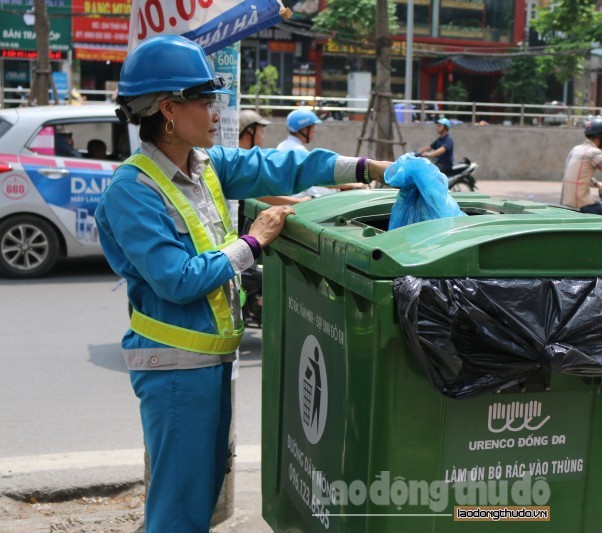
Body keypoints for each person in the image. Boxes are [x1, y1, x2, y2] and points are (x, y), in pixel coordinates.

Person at [95, 35, 390, 533]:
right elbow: (178, 280)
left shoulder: (204, 165)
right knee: (178, 510)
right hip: (175, 371)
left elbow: (283, 164)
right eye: (206, 100)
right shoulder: (134, 190)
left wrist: (367, 167)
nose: (217, 111)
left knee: (200, 497)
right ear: (169, 109)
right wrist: (253, 243)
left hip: (208, 363)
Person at [277, 108, 366, 197]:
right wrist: (353, 185)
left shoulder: (282, 146)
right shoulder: (299, 151)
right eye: (312, 127)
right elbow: (320, 179)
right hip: (297, 199)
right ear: (304, 129)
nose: (314, 131)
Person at [238, 109, 311, 205]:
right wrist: (299, 201)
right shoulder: (242, 161)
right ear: (250, 131)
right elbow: (261, 195)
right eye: (261, 131)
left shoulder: (248, 158)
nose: (262, 136)